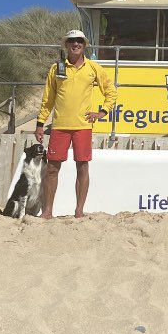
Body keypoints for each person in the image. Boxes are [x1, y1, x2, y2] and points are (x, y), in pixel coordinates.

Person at [35, 30, 116, 219]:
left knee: (82, 167)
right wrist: (40, 123)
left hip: (83, 126)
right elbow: (48, 99)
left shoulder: (94, 68)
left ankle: (79, 211)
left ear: (85, 45)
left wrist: (102, 112)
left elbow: (111, 91)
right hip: (60, 126)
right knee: (52, 168)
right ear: (66, 45)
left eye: (80, 41)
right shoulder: (57, 68)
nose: (76, 44)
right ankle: (47, 212)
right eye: (72, 41)